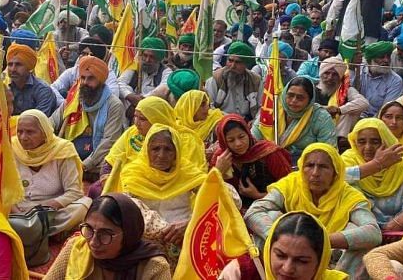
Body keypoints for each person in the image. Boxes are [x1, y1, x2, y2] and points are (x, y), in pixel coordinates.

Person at [245, 143, 381, 279]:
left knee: (361, 238)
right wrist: (283, 238)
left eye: (323, 167)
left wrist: (319, 241)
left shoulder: (350, 196)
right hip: (291, 252)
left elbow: (373, 232)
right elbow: (253, 212)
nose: (315, 173)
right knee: (272, 217)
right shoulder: (290, 185)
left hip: (334, 256)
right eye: (309, 166)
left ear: (335, 173)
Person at [116, 124, 209, 256]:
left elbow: (218, 196)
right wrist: (163, 230)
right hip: (146, 241)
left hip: (185, 236)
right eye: (155, 149)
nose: (161, 155)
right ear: (146, 151)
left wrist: (191, 224)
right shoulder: (133, 173)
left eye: (168, 149)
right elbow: (127, 207)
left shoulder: (187, 173)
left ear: (176, 152)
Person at [43, 193, 170, 280]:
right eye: (89, 229)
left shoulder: (154, 267)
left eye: (105, 234)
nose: (93, 242)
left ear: (129, 233)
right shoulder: (77, 247)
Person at [11, 109, 92, 236]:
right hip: (20, 208)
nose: (23, 137)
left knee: (84, 205)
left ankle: (30, 231)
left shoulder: (63, 150)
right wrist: (17, 213)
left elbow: (74, 191)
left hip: (52, 210)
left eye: (30, 132)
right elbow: (5, 188)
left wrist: (47, 207)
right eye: (20, 131)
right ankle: (45, 232)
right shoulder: (13, 147)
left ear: (45, 133)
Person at [50, 56, 125, 177]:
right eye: (83, 78)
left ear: (101, 81)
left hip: (97, 160)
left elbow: (108, 141)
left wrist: (85, 165)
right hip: (71, 156)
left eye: (91, 79)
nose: (85, 82)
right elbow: (51, 123)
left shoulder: (114, 105)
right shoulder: (74, 99)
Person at [220, 211, 348, 280]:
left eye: (302, 261)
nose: (287, 269)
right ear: (269, 250)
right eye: (280, 256)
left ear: (320, 263)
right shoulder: (241, 273)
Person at [211, 114, 292, 210]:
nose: (238, 144)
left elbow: (289, 190)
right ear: (224, 142)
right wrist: (218, 171)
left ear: (248, 133)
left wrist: (258, 195)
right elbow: (210, 194)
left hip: (271, 208)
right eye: (231, 140)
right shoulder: (221, 158)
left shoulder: (268, 153)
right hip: (234, 211)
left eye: (241, 137)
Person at [251, 77, 337, 162]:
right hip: (267, 162)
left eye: (300, 97)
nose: (294, 100)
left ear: (310, 100)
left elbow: (329, 153)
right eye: (290, 95)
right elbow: (253, 138)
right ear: (285, 94)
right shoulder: (272, 109)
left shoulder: (320, 118)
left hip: (304, 166)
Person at [316, 57, 369, 146]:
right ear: (321, 74)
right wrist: (326, 109)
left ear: (340, 76)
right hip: (316, 129)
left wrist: (339, 110)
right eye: (327, 73)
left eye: (335, 74)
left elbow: (364, 103)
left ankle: (340, 142)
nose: (330, 77)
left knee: (348, 113)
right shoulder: (312, 88)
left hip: (339, 133)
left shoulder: (346, 89)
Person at [205, 41, 261, 119]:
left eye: (238, 62)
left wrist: (254, 122)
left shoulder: (256, 80)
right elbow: (209, 107)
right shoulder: (215, 79)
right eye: (230, 61)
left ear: (246, 64)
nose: (232, 66)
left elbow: (261, 107)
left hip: (247, 123)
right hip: (220, 120)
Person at [117, 37, 172, 107]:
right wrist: (130, 96)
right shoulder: (135, 67)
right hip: (130, 108)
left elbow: (163, 89)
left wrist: (141, 102)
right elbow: (119, 83)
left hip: (152, 108)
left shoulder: (166, 72)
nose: (147, 60)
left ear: (159, 59)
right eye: (145, 55)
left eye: (152, 57)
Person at [7, 43, 57, 116]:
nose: (13, 69)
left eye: (18, 64)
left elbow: (36, 121)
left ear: (29, 67)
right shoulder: (5, 87)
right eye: (10, 64)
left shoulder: (43, 90)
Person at [358, 41, 403, 117]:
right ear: (370, 60)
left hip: (376, 121)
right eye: (381, 57)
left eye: (388, 56)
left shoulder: (395, 80)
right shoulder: (358, 71)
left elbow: (385, 110)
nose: (386, 60)